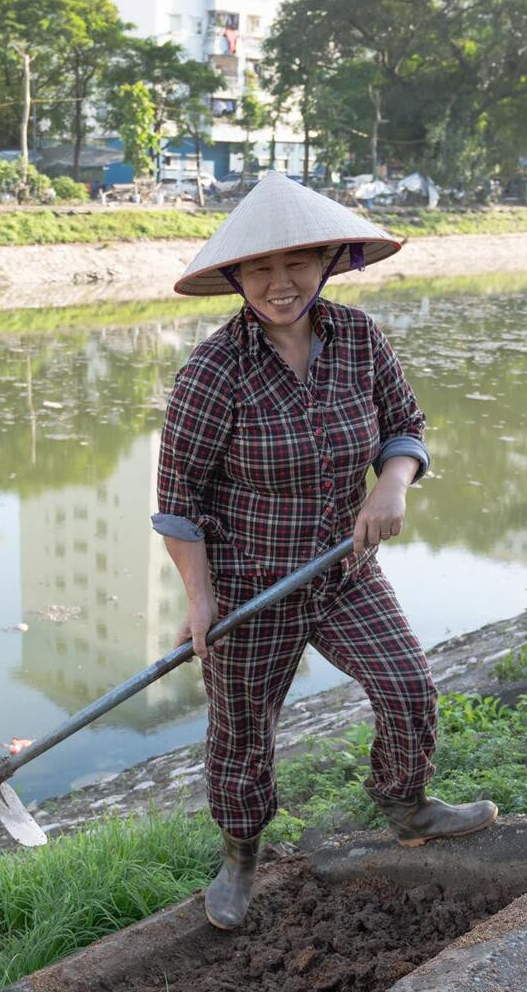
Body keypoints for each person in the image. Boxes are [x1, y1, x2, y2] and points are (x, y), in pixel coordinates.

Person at [154, 172, 499, 932]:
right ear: (236, 278)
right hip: (251, 585)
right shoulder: (213, 375)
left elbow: (404, 426)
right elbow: (178, 504)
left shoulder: (359, 338)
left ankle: (407, 806)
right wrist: (202, 599)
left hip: (343, 571)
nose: (280, 284)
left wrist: (392, 486)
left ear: (330, 259)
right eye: (260, 269)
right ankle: (240, 856)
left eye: (298, 264)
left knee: (407, 683)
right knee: (243, 729)